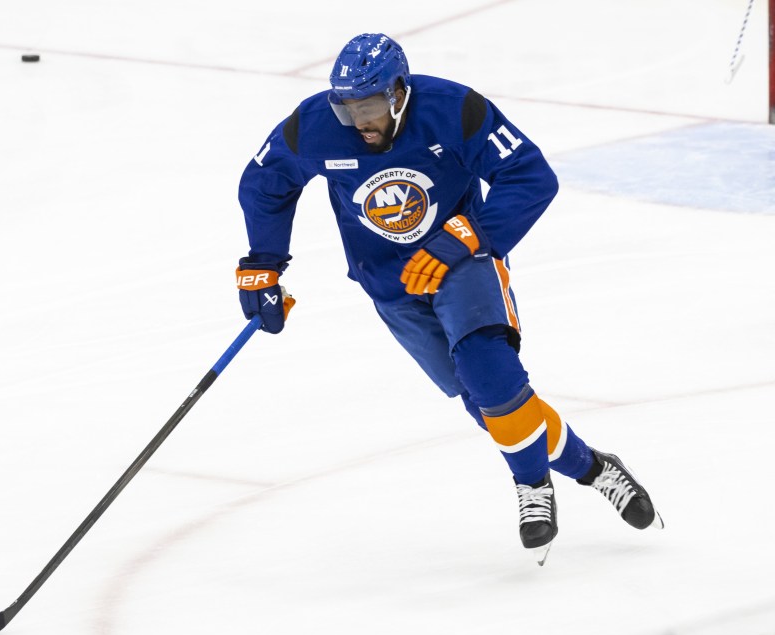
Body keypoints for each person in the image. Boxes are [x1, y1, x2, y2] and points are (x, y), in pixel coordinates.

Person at [234, 33, 663, 564]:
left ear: (398, 92)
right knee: (487, 405)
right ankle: (594, 468)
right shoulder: (314, 125)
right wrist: (261, 266)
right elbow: (265, 182)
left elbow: (530, 176)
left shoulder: (454, 110)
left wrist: (467, 235)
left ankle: (531, 485)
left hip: (464, 265)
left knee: (491, 374)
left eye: (368, 107)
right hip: (391, 284)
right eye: (347, 111)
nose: (358, 122)